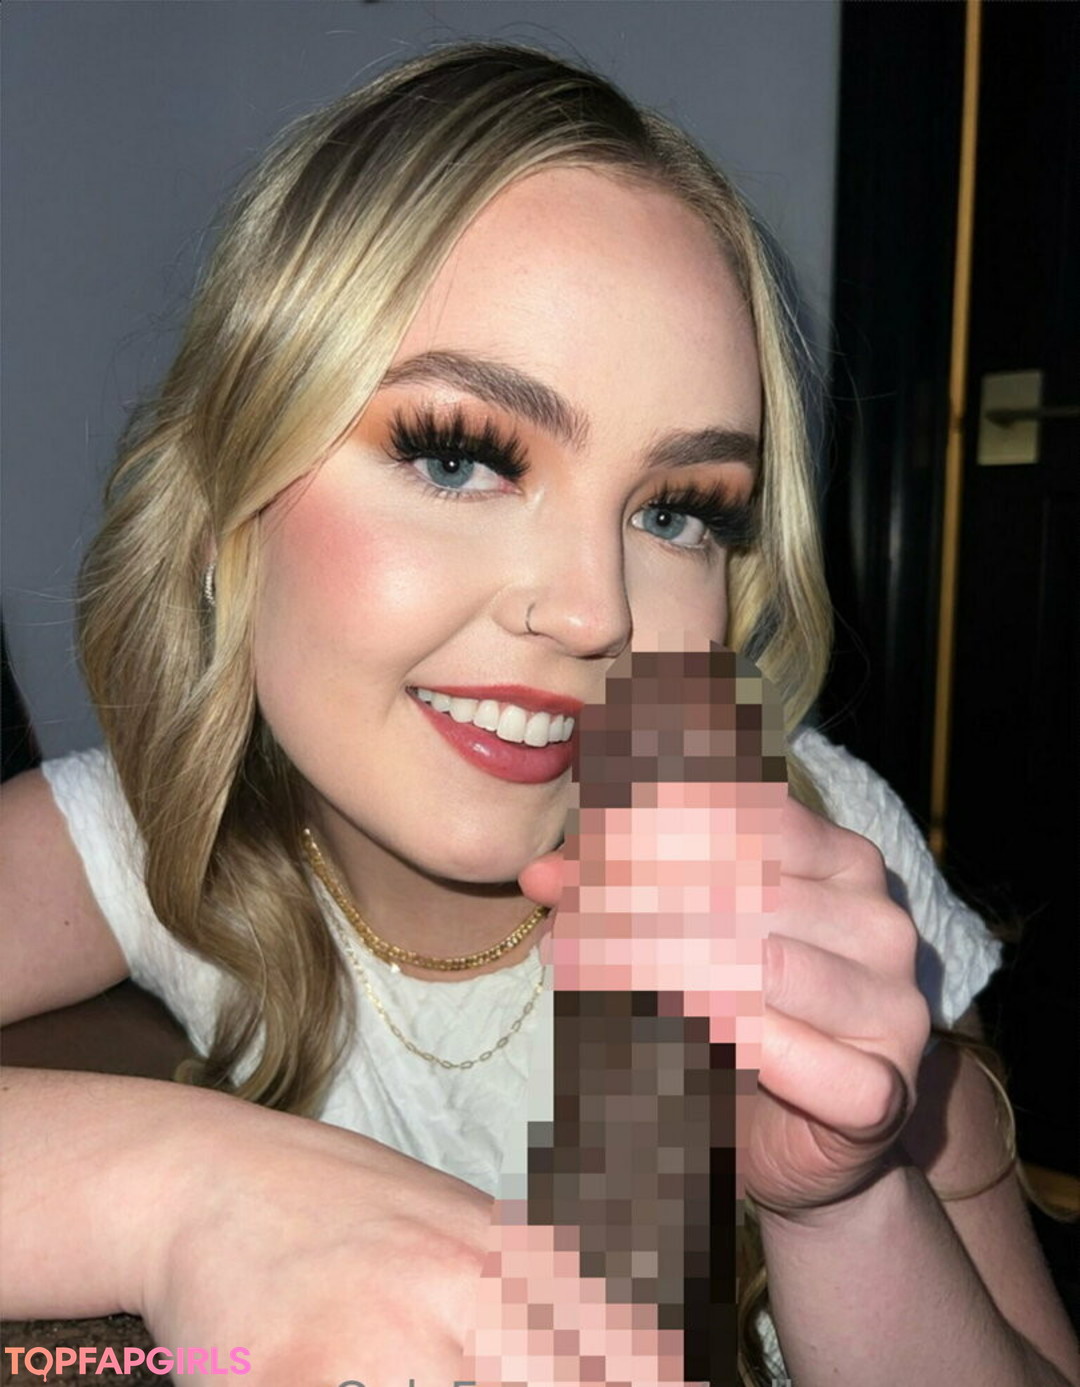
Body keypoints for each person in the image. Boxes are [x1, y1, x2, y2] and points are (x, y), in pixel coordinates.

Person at [1, 42, 1076, 1387]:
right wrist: (184, 1191)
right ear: (231, 493)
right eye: (460, 457)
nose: (590, 611)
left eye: (677, 511)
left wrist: (842, 1203)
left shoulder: (809, 844)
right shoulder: (159, 832)